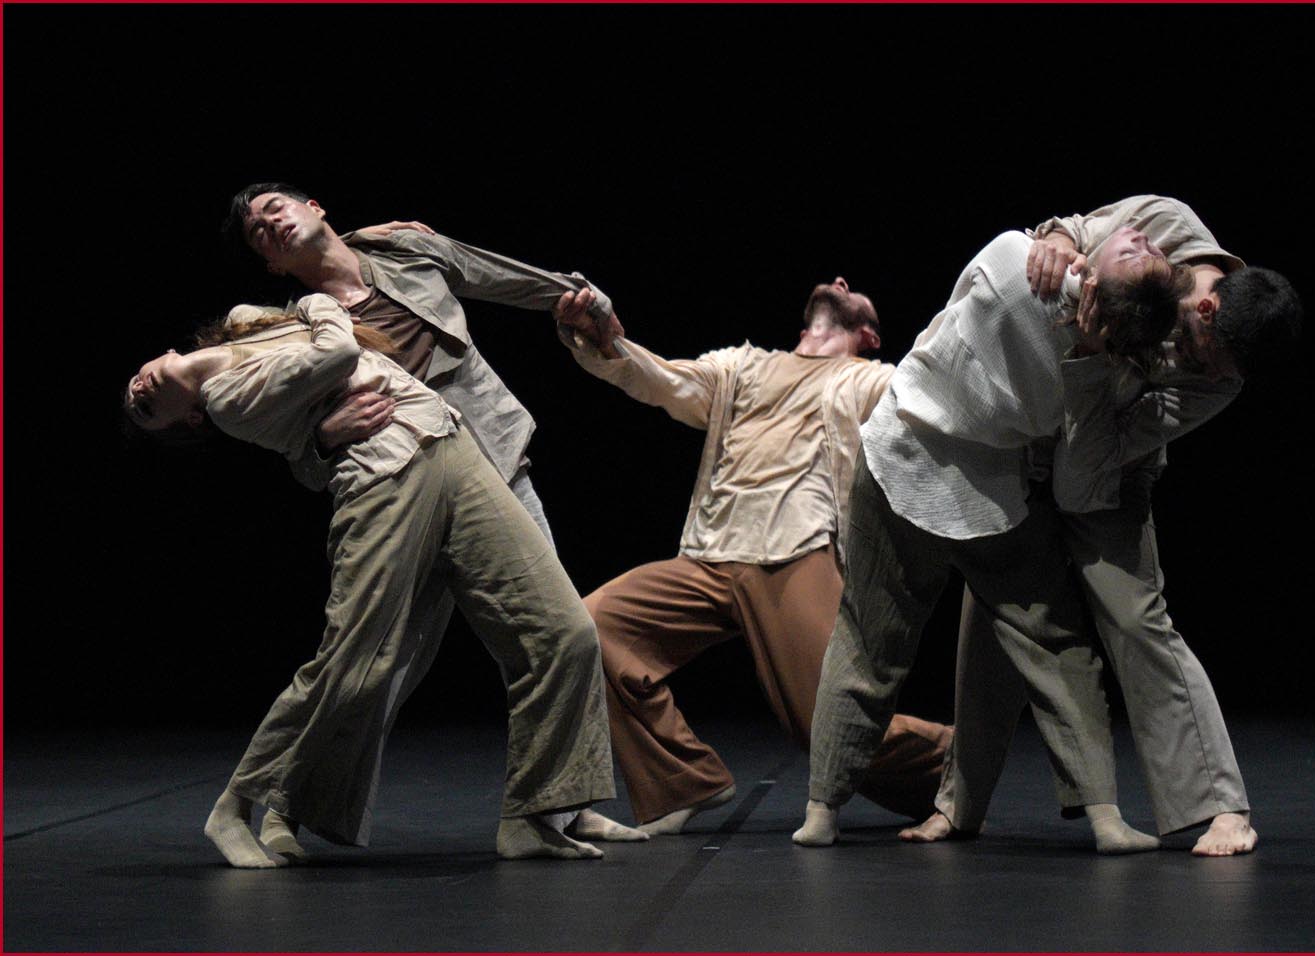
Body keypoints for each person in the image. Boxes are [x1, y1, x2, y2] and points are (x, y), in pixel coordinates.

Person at [124, 294, 621, 865]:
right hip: (383, 478)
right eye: (144, 410)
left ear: (162, 353)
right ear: (189, 419)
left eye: (135, 387)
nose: (138, 393)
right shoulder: (227, 398)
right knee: (354, 659)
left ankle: (532, 817)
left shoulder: (243, 323)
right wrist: (320, 305)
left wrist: (314, 322)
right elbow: (336, 351)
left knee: (565, 632)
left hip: (451, 443)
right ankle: (236, 806)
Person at [223, 185, 640, 856]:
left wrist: (583, 299)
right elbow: (290, 446)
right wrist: (324, 436)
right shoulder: (294, 328)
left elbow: (501, 275)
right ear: (270, 265)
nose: (270, 224)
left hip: (492, 465)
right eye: (257, 234)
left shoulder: (406, 252)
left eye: (276, 208)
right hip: (403, 488)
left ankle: (561, 805)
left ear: (315, 207)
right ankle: (283, 809)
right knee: (378, 666)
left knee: (558, 632)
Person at [908, 196, 1301, 856]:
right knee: (996, 618)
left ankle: (1222, 809)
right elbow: (1075, 232)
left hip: (1107, 472)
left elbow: (1088, 473)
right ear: (1207, 308)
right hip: (1026, 442)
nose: (1209, 372)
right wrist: (1059, 241)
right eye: (1211, 358)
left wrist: (1092, 359)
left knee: (1137, 619)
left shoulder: (1219, 382)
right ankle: (958, 805)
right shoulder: (1168, 222)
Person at [798, 225, 1189, 853]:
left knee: (869, 638)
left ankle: (822, 808)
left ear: (1094, 283)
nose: (1144, 238)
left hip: (906, 457)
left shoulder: (1014, 263)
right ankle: (1104, 814)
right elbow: (1073, 472)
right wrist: (1093, 355)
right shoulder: (1112, 375)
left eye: (1139, 253)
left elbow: (965, 304)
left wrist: (1056, 244)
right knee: (1053, 640)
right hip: (984, 496)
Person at [549, 279, 954, 836]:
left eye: (853, 288)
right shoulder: (741, 366)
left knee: (827, 726)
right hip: (710, 554)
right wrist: (607, 342)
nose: (839, 282)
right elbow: (665, 380)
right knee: (588, 630)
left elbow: (932, 388)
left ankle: (962, 760)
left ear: (869, 335)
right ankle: (684, 782)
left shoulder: (867, 379)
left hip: (797, 551)